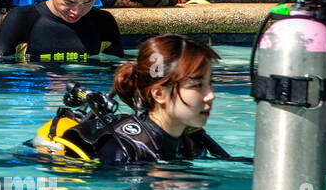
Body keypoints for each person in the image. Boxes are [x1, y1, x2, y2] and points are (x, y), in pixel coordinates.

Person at [60, 34, 230, 163]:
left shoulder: (192, 143)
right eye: (197, 85)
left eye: (210, 83)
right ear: (159, 94)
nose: (211, 95)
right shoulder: (123, 151)